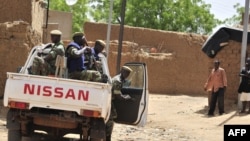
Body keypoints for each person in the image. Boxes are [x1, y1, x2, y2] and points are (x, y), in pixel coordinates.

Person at [106, 65, 133, 141]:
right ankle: (107, 136)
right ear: (122, 71)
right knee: (110, 119)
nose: (127, 75)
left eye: (128, 74)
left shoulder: (119, 78)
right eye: (126, 73)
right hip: (108, 102)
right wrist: (127, 97)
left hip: (109, 100)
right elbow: (118, 96)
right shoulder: (118, 80)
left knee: (111, 117)